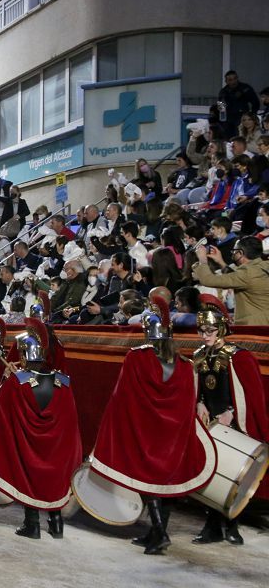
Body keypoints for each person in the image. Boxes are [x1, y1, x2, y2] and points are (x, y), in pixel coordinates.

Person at [89, 291, 215, 555]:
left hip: (145, 431)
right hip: (172, 436)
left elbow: (121, 396)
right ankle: (154, 533)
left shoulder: (137, 357)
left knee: (148, 480)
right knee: (165, 483)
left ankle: (160, 532)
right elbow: (188, 400)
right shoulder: (184, 363)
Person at [0, 318, 81, 539]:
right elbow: (71, 420)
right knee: (54, 477)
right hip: (55, 446)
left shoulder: (17, 382)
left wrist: (7, 377)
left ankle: (32, 525)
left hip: (28, 444)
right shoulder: (64, 382)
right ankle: (56, 524)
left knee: (26, 469)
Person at [191, 295, 269, 545]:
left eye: (211, 330)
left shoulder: (239, 356)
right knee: (211, 474)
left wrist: (233, 413)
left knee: (234, 476)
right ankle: (212, 526)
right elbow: (198, 388)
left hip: (232, 423)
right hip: (210, 422)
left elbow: (251, 393)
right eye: (202, 331)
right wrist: (199, 402)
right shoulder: (199, 355)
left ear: (222, 328)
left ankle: (231, 525)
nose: (206, 335)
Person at [193, 236, 269, 325]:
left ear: (240, 253)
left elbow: (208, 280)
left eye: (234, 251)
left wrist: (202, 260)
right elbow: (240, 279)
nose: (232, 254)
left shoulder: (247, 273)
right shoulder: (262, 267)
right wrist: (221, 262)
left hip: (256, 327)